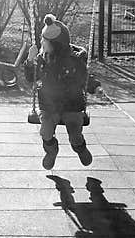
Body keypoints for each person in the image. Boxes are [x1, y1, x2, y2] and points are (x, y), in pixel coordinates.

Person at [24, 14, 93, 169]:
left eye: (44, 40)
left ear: (56, 45)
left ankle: (80, 149)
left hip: (72, 104)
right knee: (45, 132)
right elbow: (30, 78)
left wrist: (95, 87)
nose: (41, 42)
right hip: (49, 106)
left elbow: (85, 77)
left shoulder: (74, 60)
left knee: (75, 136)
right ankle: (51, 151)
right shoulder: (42, 59)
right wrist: (29, 61)